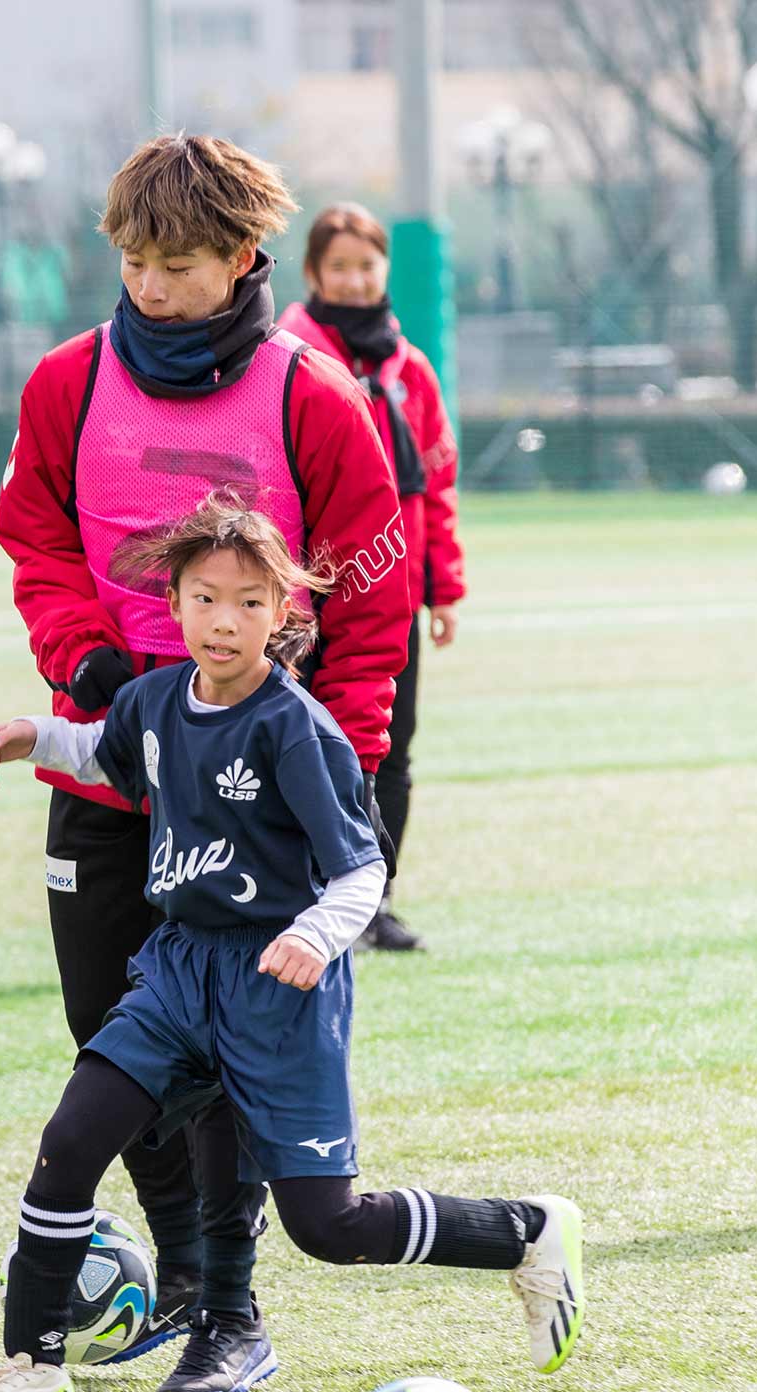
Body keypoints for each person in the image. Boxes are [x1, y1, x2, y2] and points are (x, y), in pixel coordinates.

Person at [0, 496, 583, 1392]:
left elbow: (363, 871)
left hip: (279, 991)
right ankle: (30, 1364)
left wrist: (313, 935)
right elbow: (109, 755)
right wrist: (32, 735)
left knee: (328, 1226)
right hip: (176, 973)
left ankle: (523, 1233)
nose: (225, 621)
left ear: (283, 610)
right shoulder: (155, 697)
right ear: (175, 601)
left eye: (249, 602)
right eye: (206, 598)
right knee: (71, 1141)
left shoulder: (298, 729)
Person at [0, 133, 410, 1388]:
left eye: (176, 264)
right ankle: (180, 1276)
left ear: (242, 259)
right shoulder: (66, 384)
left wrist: (332, 759)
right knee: (108, 1038)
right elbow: (36, 542)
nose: (150, 287)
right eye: (131, 260)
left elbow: (371, 596)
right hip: (108, 769)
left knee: (230, 1057)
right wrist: (88, 667)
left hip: (250, 803)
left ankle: (228, 1314)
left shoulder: (314, 400)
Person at [280, 203, 464, 952]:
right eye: (340, 267)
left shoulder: (407, 367)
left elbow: (439, 482)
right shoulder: (289, 354)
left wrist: (443, 587)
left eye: (367, 266)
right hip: (300, 596)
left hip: (390, 594)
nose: (355, 281)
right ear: (314, 274)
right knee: (291, 742)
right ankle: (292, 895)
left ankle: (369, 898)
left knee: (388, 745)